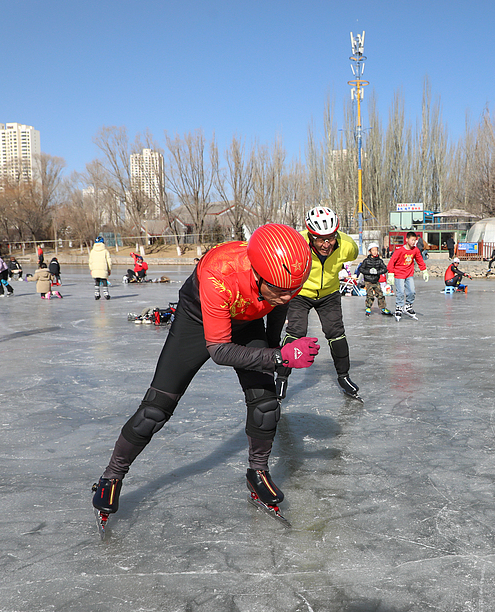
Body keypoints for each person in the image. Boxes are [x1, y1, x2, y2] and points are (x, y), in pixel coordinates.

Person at [91, 223, 319, 522]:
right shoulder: (220, 273)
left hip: (246, 321)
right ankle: (112, 476)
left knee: (265, 405)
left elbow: (275, 309)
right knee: (156, 410)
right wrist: (279, 356)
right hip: (198, 319)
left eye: (293, 291)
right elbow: (220, 351)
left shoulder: (283, 279)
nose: (287, 298)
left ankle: (258, 472)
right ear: (257, 274)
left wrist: (276, 350)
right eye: (278, 291)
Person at [276, 207, 361, 401]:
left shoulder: (348, 246)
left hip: (329, 294)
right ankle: (281, 378)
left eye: (330, 238)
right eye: (320, 239)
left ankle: (344, 376)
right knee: (296, 333)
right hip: (301, 293)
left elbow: (351, 256)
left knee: (336, 334)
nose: (326, 244)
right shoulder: (296, 244)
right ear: (311, 235)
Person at [387, 232, 426, 320]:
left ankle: (408, 306)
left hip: (409, 274)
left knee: (412, 291)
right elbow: (392, 261)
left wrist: (424, 271)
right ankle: (399, 307)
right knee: (400, 292)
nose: (413, 242)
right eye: (412, 240)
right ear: (407, 240)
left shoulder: (415, 250)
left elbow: (419, 260)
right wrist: (390, 274)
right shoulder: (399, 251)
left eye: (415, 240)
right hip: (399, 274)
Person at [357, 242, 391, 316]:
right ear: (370, 251)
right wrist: (368, 272)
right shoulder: (366, 261)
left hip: (376, 280)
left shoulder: (379, 261)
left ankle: (383, 308)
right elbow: (361, 269)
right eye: (373, 250)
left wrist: (377, 272)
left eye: (376, 250)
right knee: (370, 295)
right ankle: (368, 307)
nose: (375, 252)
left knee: (380, 294)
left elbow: (385, 269)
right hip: (368, 280)